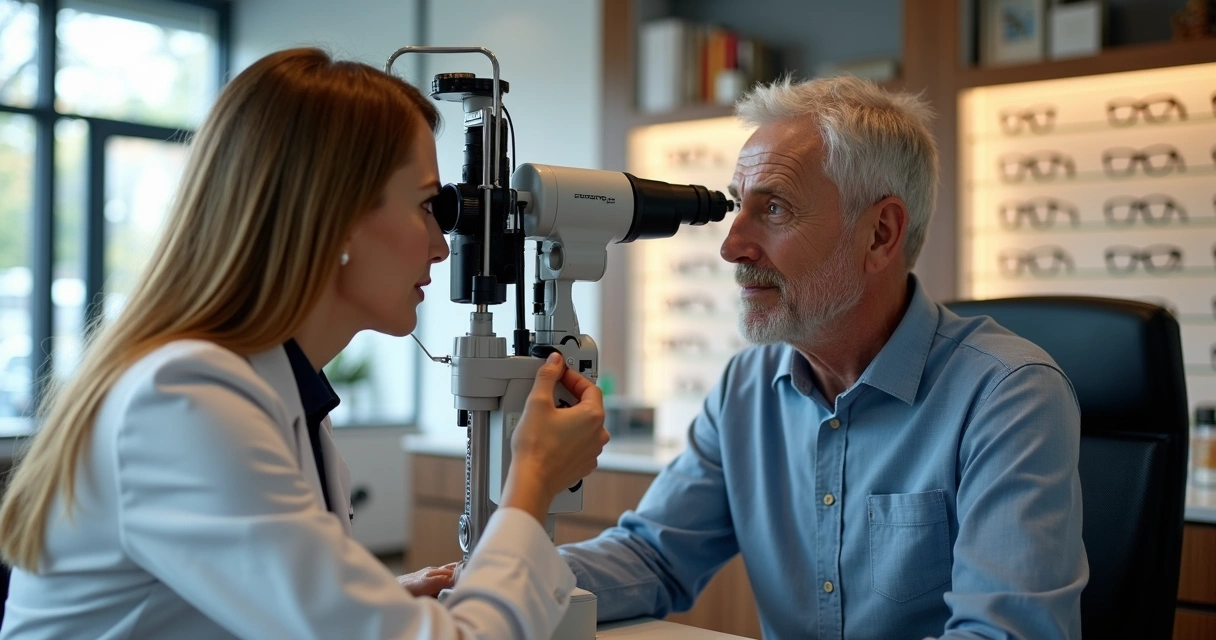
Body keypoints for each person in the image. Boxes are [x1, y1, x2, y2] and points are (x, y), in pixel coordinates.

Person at [0, 48, 608, 640]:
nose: (441, 245)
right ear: (337, 213)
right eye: (426, 206)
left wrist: (378, 603)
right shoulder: (185, 400)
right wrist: (532, 480)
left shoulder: (272, 386)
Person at [559, 76, 1088, 639]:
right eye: (740, 206)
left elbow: (1004, 634)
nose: (731, 246)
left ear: (881, 234)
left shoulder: (1008, 394)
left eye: (776, 208)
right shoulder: (747, 385)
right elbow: (654, 556)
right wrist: (504, 580)